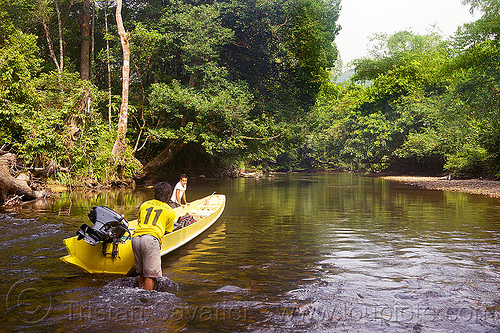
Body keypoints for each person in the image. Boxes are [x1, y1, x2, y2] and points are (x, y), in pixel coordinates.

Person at [132, 182, 176, 290]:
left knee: (142, 273)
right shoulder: (170, 211)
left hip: (136, 238)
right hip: (151, 240)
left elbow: (140, 221)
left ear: (154, 193)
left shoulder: (144, 205)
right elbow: (167, 231)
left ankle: (139, 298)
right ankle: (147, 303)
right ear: (168, 196)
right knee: (151, 276)